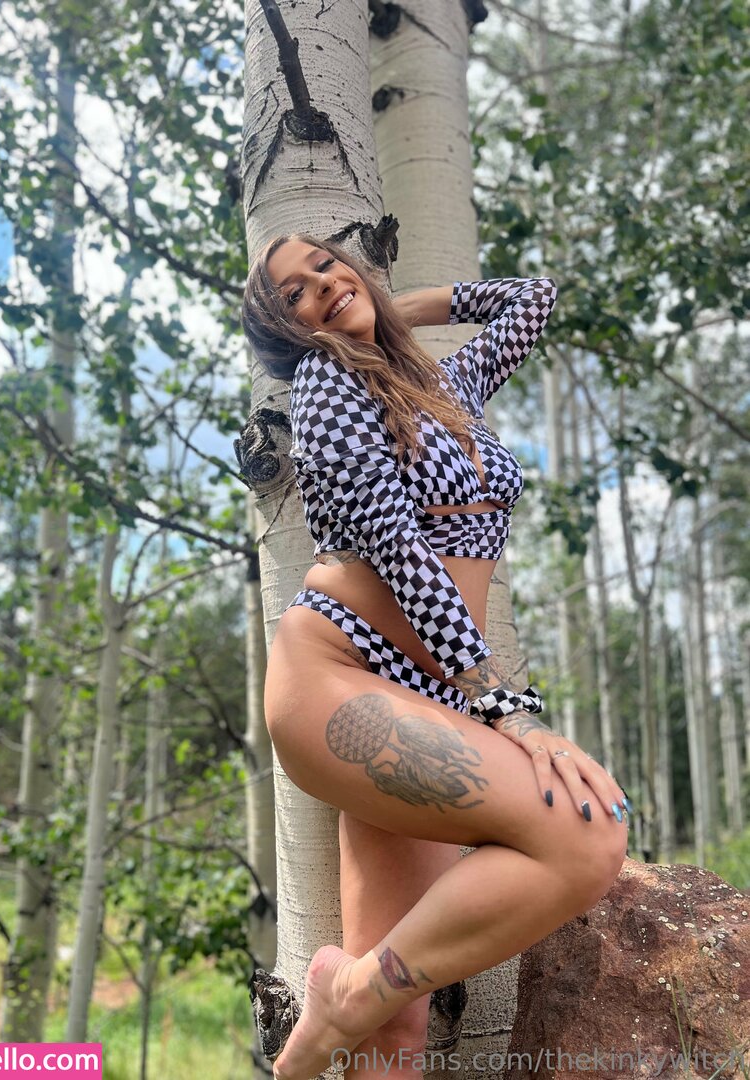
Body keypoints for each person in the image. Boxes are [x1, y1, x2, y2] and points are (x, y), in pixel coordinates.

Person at [242, 233, 628, 1080]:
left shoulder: (445, 383)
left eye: (326, 266)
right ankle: (348, 995)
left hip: (423, 695)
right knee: (588, 834)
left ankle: (351, 999)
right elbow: (398, 551)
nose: (322, 286)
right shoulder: (326, 383)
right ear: (285, 332)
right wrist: (508, 710)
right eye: (295, 293)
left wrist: (389, 308)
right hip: (340, 679)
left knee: (394, 1041)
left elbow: (533, 298)